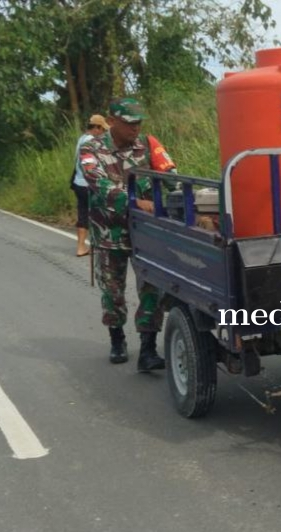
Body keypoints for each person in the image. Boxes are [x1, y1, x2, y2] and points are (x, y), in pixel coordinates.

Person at [79, 97, 177, 371]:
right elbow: (98, 183)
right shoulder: (91, 148)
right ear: (111, 122)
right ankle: (117, 339)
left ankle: (148, 349)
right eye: (129, 123)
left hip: (145, 233)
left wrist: (188, 200)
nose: (135, 128)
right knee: (113, 292)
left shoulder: (147, 144)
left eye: (138, 123)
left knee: (152, 289)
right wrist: (133, 201)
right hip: (109, 232)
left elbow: (171, 175)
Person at [70, 114, 110, 257]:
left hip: (78, 182)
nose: (104, 132)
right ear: (97, 128)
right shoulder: (92, 141)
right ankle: (100, 245)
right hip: (89, 184)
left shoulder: (82, 139)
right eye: (102, 129)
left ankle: (81, 247)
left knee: (83, 213)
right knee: (98, 214)